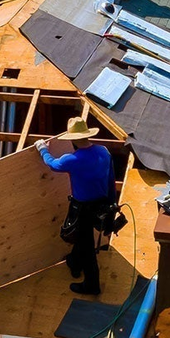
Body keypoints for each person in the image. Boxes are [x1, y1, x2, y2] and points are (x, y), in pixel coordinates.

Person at [38, 118, 113, 295]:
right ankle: (74, 262)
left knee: (87, 247)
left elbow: (52, 164)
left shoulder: (73, 160)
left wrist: (42, 149)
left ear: (72, 139)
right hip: (101, 204)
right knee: (83, 238)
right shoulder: (104, 152)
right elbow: (110, 179)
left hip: (82, 209)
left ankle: (91, 285)